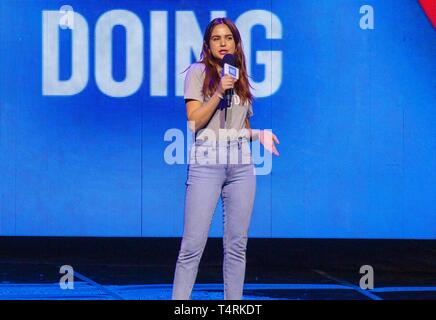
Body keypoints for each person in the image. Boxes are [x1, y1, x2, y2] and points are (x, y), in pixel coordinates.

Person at [172, 17, 280, 300]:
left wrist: (259, 135)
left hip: (241, 163)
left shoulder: (239, 75)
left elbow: (238, 126)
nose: (223, 43)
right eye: (217, 38)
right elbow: (194, 121)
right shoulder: (198, 73)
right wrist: (219, 90)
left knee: (236, 245)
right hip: (207, 160)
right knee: (192, 245)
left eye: (228, 38)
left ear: (236, 43)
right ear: (208, 44)